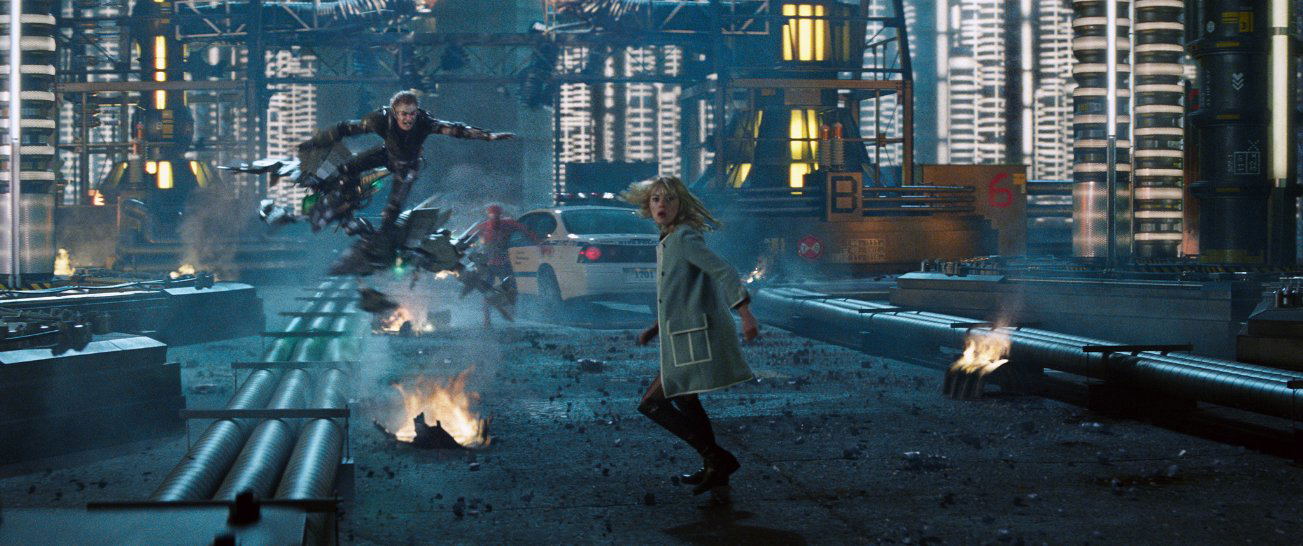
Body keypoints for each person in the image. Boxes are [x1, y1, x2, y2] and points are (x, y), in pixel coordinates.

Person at [623, 175, 760, 497]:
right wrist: (656, 327)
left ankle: (718, 459)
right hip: (680, 334)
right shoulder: (668, 239)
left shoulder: (684, 237)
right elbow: (676, 293)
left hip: (692, 337)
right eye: (656, 199)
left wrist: (745, 313)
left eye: (669, 199)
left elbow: (723, 271)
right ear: (648, 205)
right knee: (685, 399)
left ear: (681, 205)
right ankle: (716, 468)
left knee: (652, 404)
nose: (662, 205)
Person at [300, 89, 515, 275]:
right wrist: (316, 142)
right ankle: (336, 202)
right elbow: (346, 128)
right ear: (395, 112)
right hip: (386, 154)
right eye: (404, 114)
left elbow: (456, 130)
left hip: (408, 166)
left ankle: (379, 250)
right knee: (346, 168)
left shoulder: (423, 122)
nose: (408, 119)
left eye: (412, 113)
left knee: (392, 211)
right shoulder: (380, 119)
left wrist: (488, 136)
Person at [460, 204, 548, 327]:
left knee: (510, 289)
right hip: (489, 265)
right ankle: (487, 319)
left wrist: (539, 244)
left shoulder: (508, 224)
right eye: (492, 216)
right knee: (488, 291)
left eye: (496, 216)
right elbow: (467, 239)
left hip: (503, 264)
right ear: (489, 216)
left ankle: (509, 315)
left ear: (499, 215)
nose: (494, 220)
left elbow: (526, 231)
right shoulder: (484, 227)